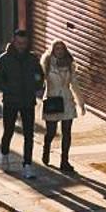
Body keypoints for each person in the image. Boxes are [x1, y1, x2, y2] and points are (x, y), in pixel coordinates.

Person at [0, 30, 44, 173]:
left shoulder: (32, 59)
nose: (22, 46)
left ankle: (27, 165)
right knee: (8, 130)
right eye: (19, 43)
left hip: (28, 101)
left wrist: (35, 86)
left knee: (29, 134)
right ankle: (4, 154)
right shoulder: (5, 59)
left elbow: (39, 76)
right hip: (11, 101)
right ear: (14, 41)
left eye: (24, 43)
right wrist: (8, 89)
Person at [40, 40, 81, 172]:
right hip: (52, 100)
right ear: (52, 50)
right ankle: (46, 149)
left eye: (62, 49)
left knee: (67, 132)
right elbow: (39, 80)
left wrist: (81, 102)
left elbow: (74, 84)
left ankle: (65, 161)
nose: (59, 51)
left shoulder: (70, 64)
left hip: (67, 100)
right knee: (51, 132)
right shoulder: (46, 64)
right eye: (57, 49)